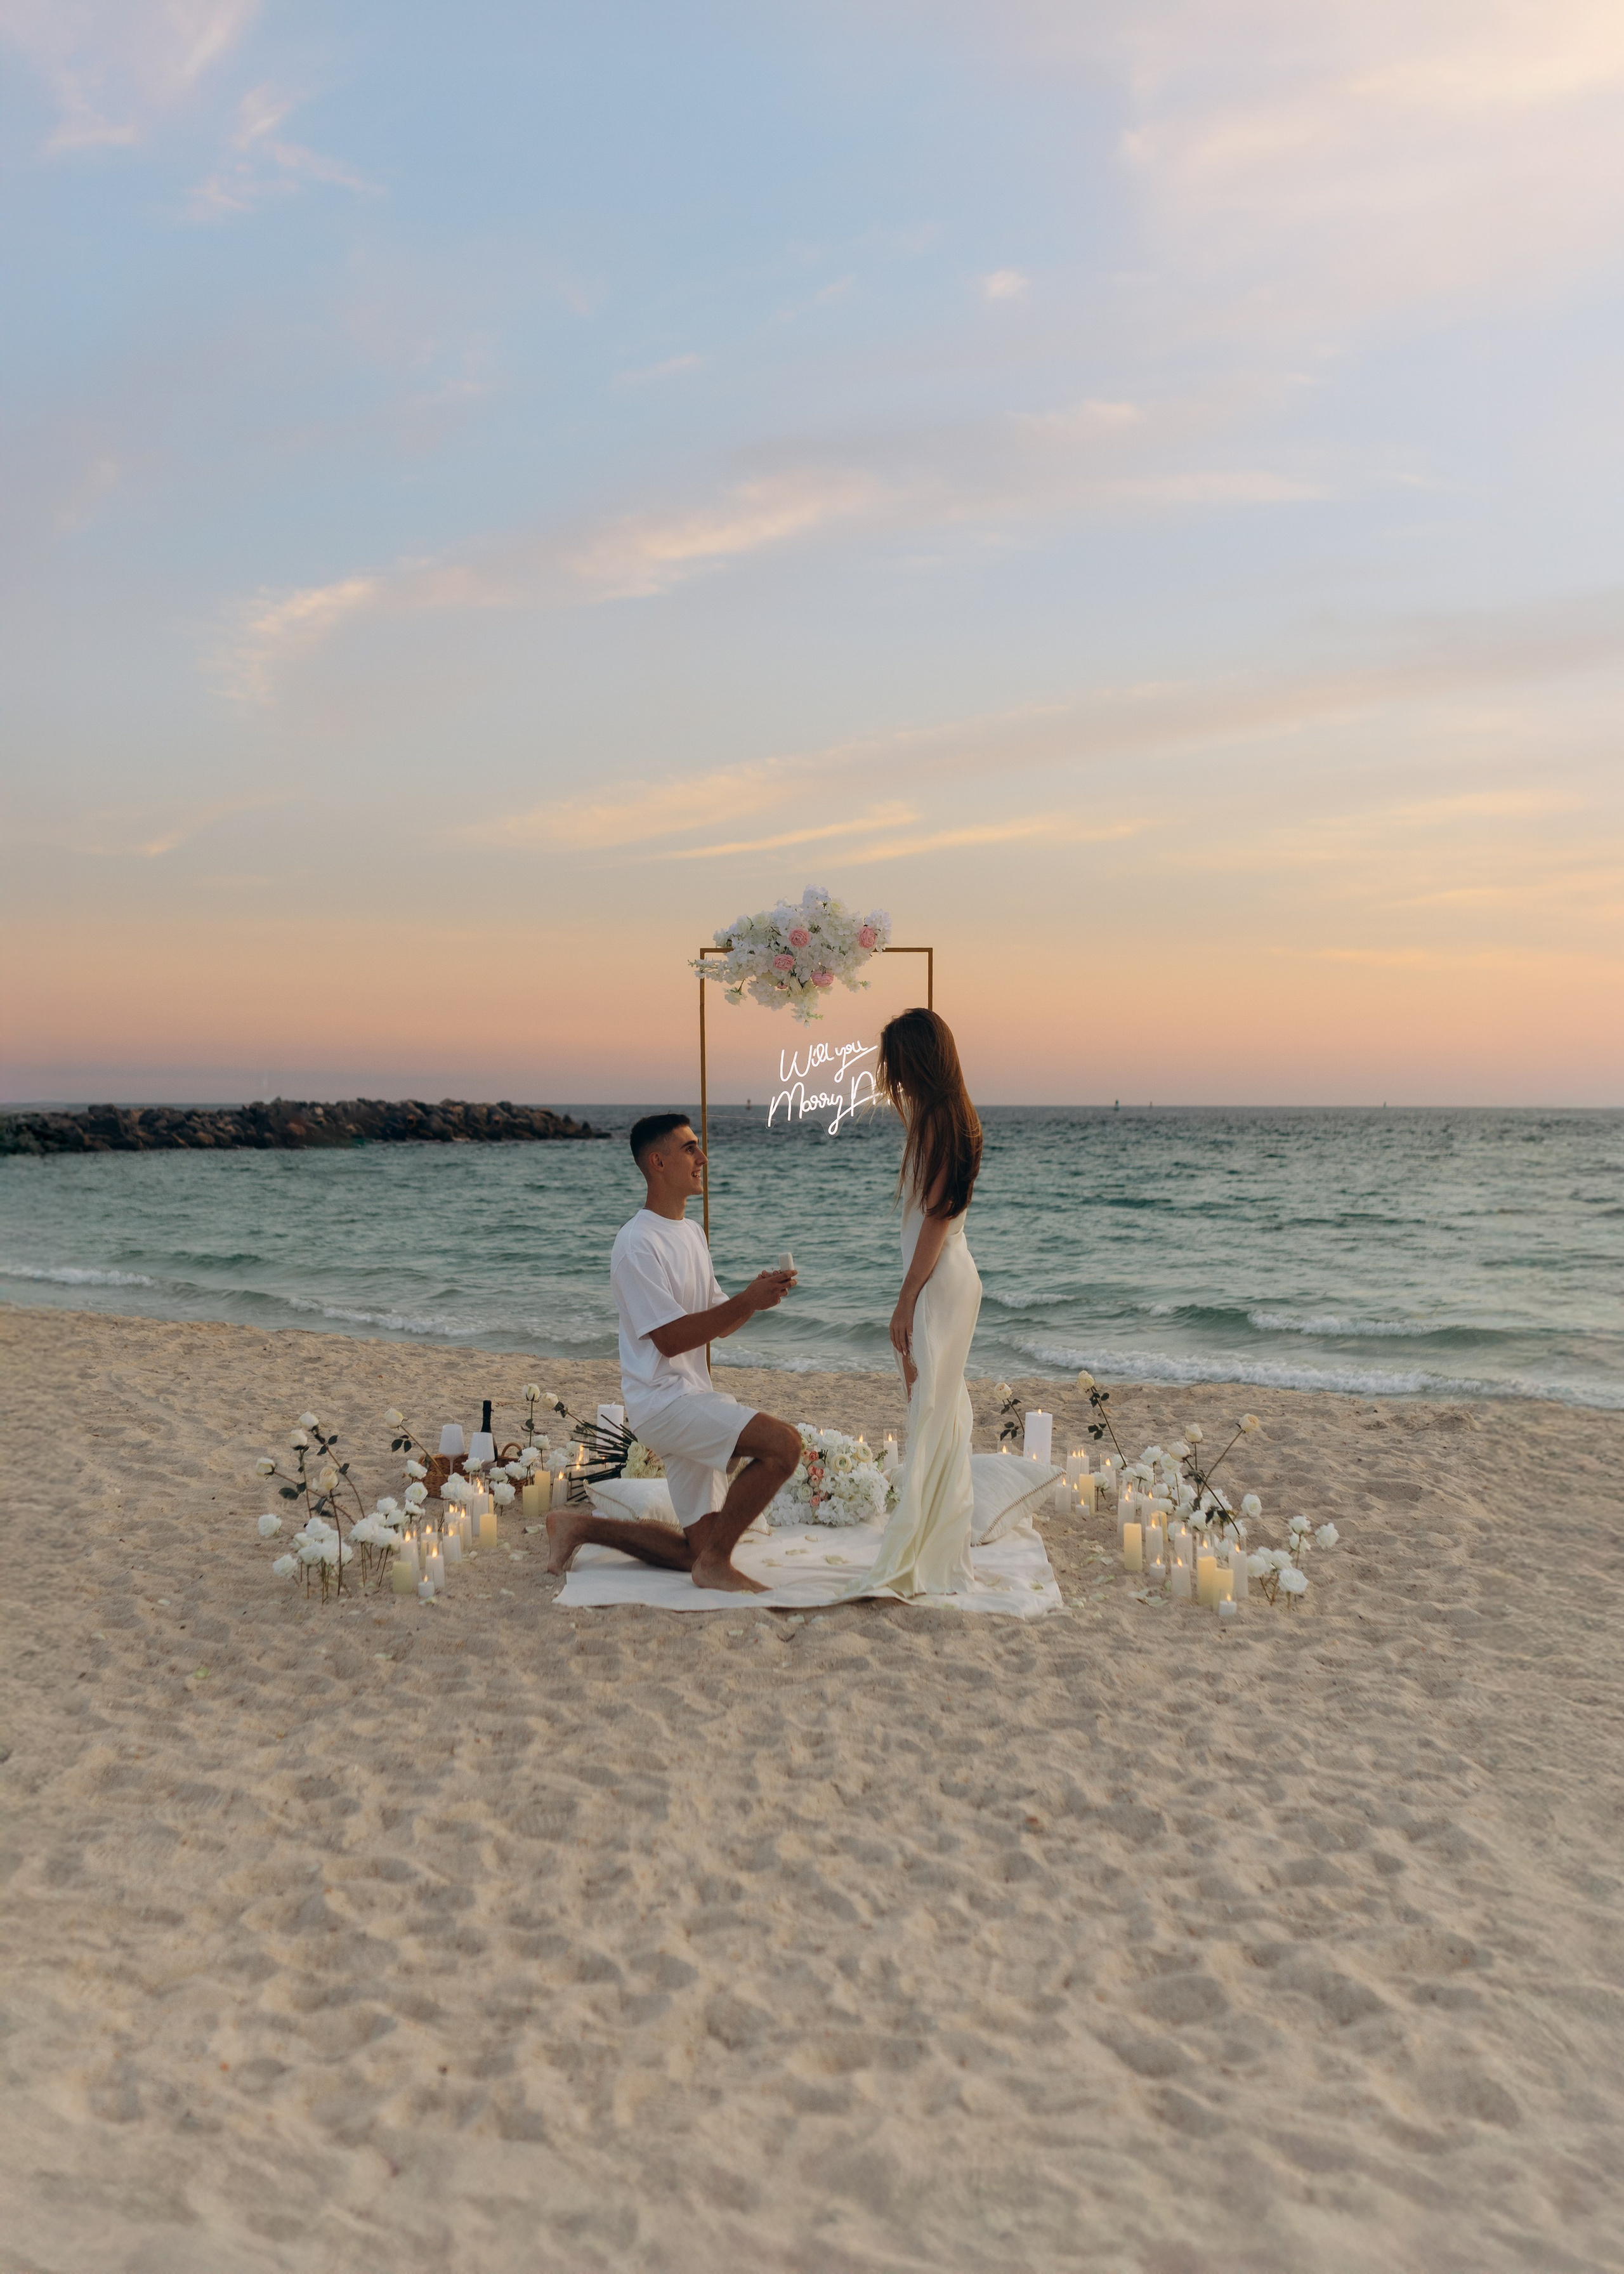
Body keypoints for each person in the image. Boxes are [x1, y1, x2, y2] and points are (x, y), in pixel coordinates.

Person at [545, 1112, 802, 1594]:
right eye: (690, 1149)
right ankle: (718, 1566)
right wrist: (747, 1301)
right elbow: (669, 1339)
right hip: (662, 1402)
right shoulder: (635, 1243)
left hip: (691, 1394)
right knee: (784, 1446)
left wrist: (757, 1297)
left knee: (696, 1550)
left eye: (699, 1148)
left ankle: (580, 1528)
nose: (702, 1158)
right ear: (658, 1162)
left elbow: (715, 1321)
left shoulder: (691, 1234)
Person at [845, 1008, 984, 1600]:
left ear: (918, 1060)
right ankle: (937, 1545)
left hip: (937, 1282)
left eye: (897, 1063)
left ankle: (927, 1552)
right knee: (935, 1408)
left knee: (931, 1408)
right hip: (945, 1277)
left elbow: (936, 1217)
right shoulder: (948, 1116)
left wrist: (905, 1300)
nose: (890, 1076)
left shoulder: (940, 1121)